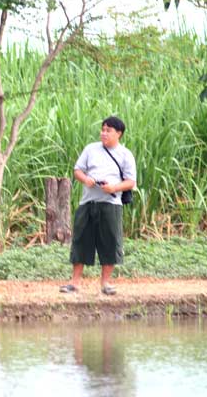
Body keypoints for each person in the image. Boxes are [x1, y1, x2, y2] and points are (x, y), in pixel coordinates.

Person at [59, 116, 136, 295]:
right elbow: (77, 170)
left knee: (110, 242)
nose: (104, 133)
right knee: (81, 240)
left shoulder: (126, 154)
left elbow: (131, 182)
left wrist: (113, 188)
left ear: (119, 134)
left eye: (108, 130)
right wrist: (86, 179)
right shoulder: (91, 149)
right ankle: (75, 282)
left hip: (111, 203)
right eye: (103, 129)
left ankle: (106, 284)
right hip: (87, 202)